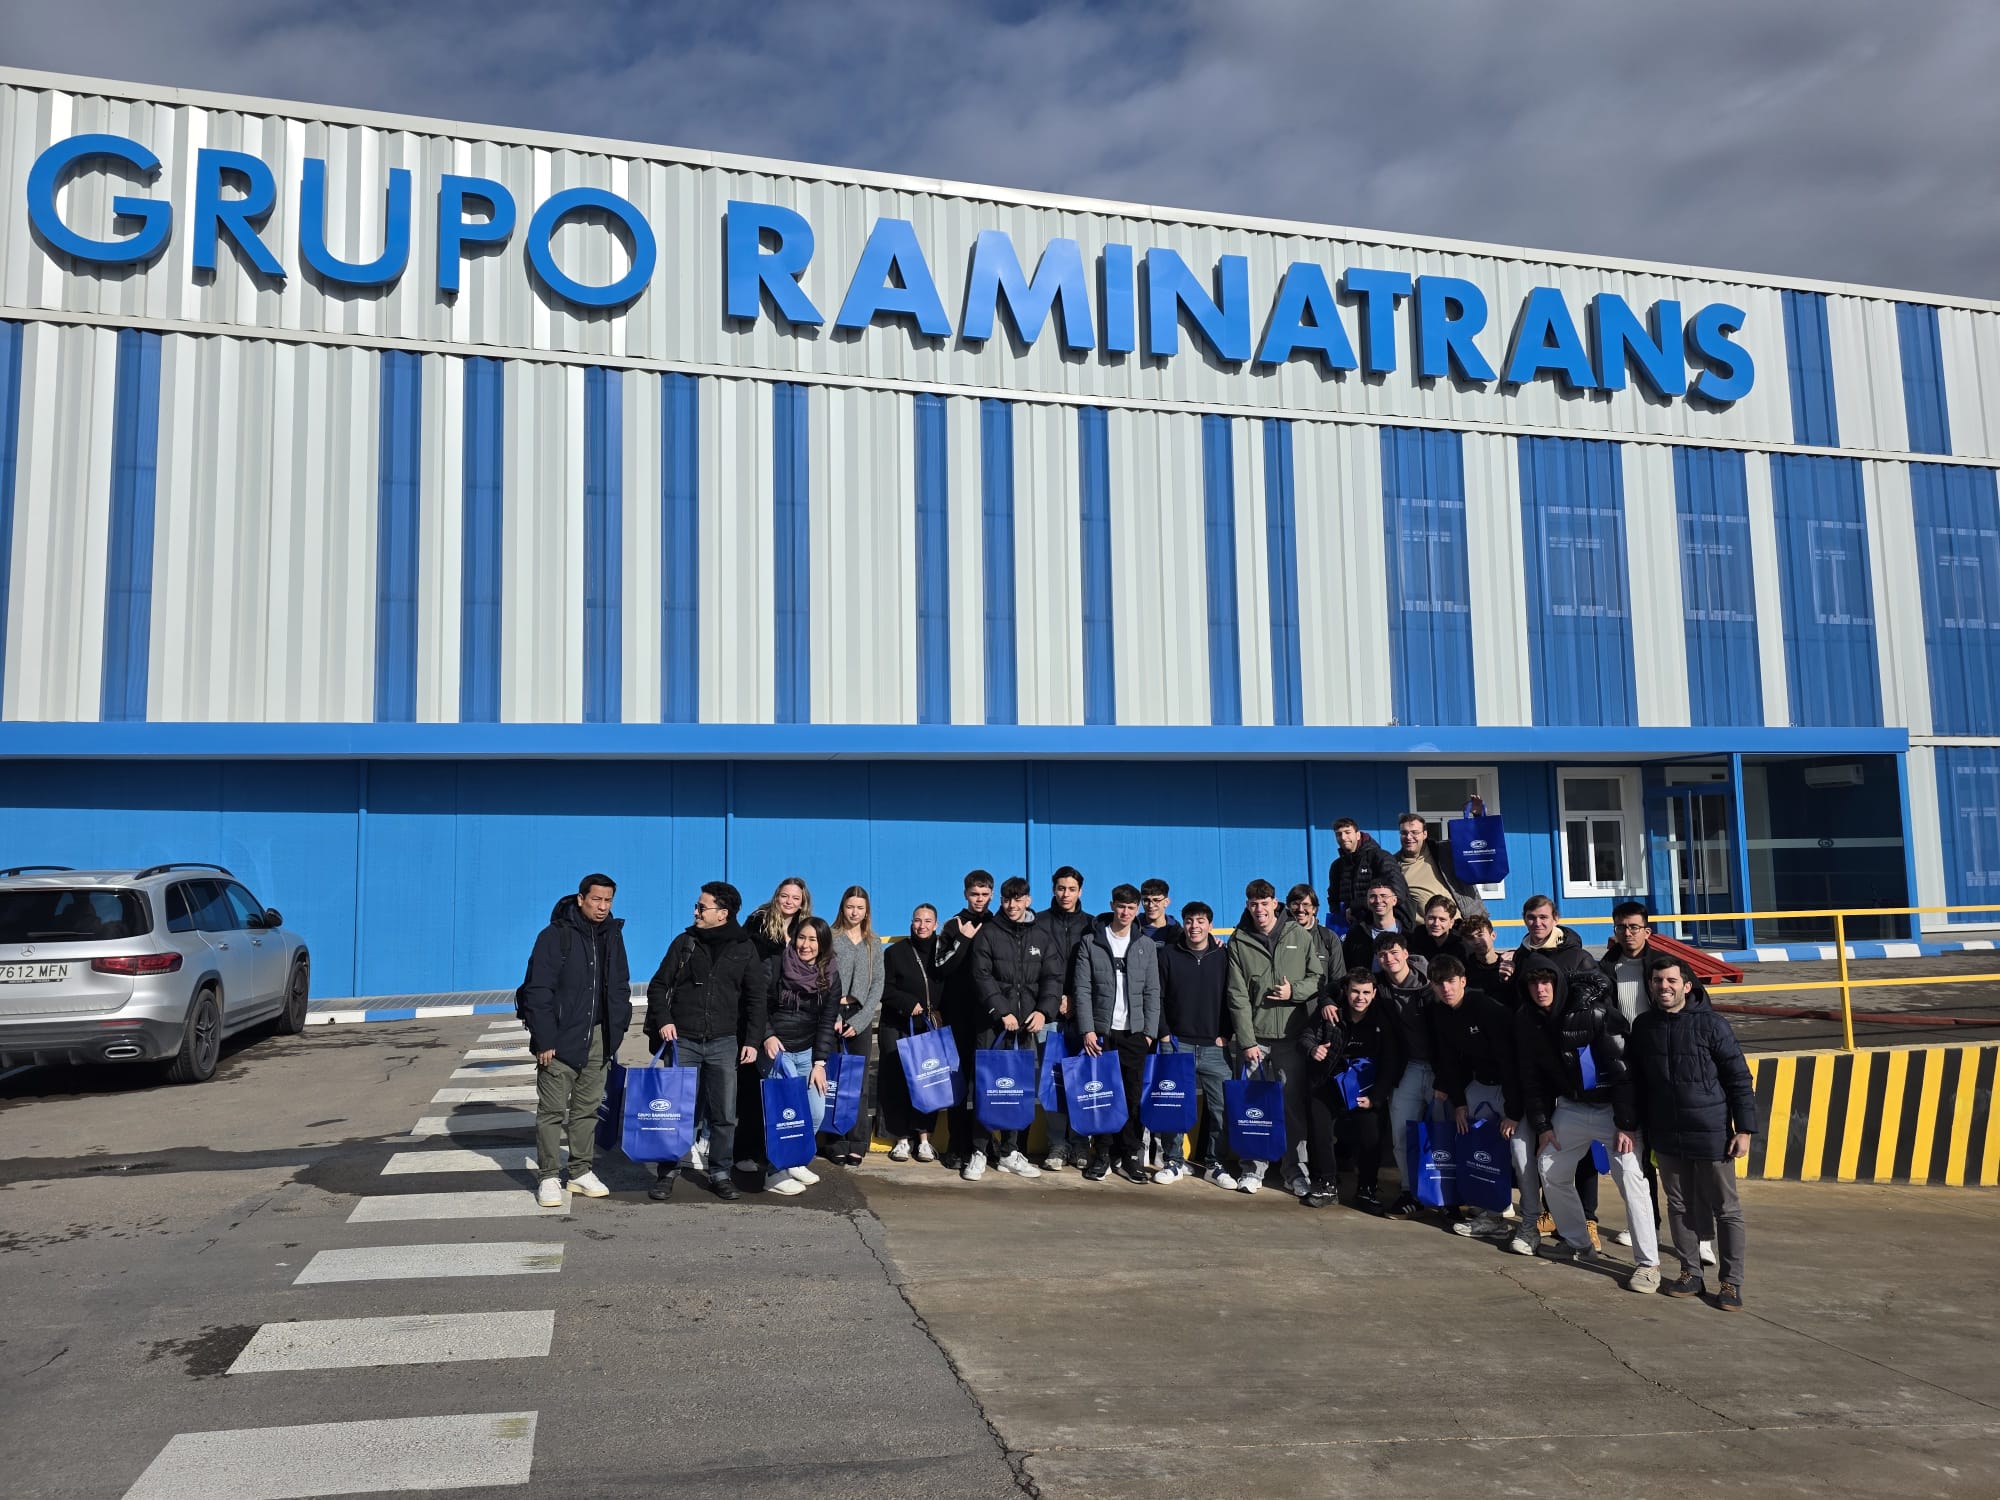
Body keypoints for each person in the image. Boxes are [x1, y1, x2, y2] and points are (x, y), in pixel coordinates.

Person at [1514, 956, 1662, 1293]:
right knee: (1550, 1166)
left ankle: (1648, 1264)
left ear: (1558, 983)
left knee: (1631, 1178)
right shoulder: (1526, 1020)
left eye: (1546, 982)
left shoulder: (1594, 1013)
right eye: (1533, 983)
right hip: (1572, 1107)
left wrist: (1626, 1124)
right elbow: (1531, 1078)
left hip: (1613, 1110)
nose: (1540, 989)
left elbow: (1623, 1070)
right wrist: (1543, 1126)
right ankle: (1578, 1242)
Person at [1629, 957, 1757, 1310]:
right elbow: (1636, 1081)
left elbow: (1738, 1078)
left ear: (1687, 986)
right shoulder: (1644, 1026)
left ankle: (1730, 1282)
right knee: (1679, 1205)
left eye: (1671, 980)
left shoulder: (1712, 1025)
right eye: (1658, 980)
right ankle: (1690, 1273)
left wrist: (1744, 1129)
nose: (1664, 986)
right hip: (1666, 1133)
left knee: (1725, 1208)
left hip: (1711, 1132)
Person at [644, 881, 767, 1203]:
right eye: (697, 906)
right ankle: (667, 1171)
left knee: (724, 1114)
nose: (696, 912)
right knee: (678, 1111)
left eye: (702, 907)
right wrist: (665, 1020)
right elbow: (658, 986)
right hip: (683, 1040)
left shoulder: (744, 947)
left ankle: (720, 1173)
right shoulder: (685, 942)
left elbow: (756, 998)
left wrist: (752, 1040)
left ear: (722, 913)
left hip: (724, 1042)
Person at [519, 873, 631, 1208]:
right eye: (596, 899)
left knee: (587, 1110)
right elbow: (538, 990)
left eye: (608, 900)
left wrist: (616, 1031)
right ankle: (549, 1176)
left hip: (599, 1037)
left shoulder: (612, 935)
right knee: (552, 1111)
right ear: (581, 899)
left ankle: (580, 1171)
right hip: (559, 1039)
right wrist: (544, 1038)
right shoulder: (556, 936)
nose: (602, 906)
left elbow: (620, 985)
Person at [1224, 878, 1325, 1196]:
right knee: (1253, 1107)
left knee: (1291, 1108)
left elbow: (1318, 978)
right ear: (1247, 905)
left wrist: (1294, 991)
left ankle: (1295, 1172)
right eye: (1253, 903)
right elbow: (1237, 996)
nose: (1259, 909)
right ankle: (1253, 1169)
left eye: (1264, 902)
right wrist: (1247, 1041)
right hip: (1256, 1039)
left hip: (1291, 1039)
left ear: (1275, 903)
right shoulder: (1239, 941)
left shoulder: (1298, 934)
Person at [1427, 953, 1534, 1249]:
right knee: (1482, 1153)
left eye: (1451, 981)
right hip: (1480, 1087)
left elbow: (1511, 1062)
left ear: (1463, 981)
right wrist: (1460, 1103)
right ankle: (1492, 1217)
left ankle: (1530, 1225)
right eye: (1439, 983)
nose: (1446, 988)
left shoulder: (1486, 1008)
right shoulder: (1441, 1013)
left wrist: (1513, 1111)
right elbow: (1449, 1060)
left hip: (1512, 1089)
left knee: (1521, 1158)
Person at [964, 875, 1060, 1181]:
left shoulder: (1041, 935)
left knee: (1018, 1089)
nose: (1012, 905)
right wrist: (1002, 1011)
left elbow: (1052, 978)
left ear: (1028, 900)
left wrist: (1043, 1011)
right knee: (986, 1086)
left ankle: (1010, 1151)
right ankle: (979, 1151)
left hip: (1026, 1027)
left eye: (1018, 899)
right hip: (993, 1025)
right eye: (1007, 900)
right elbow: (981, 976)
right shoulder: (989, 933)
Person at [1073, 883, 1163, 1184]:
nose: (1125, 912)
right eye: (1121, 906)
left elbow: (1152, 991)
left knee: (1132, 1097)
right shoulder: (1091, 942)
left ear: (1137, 910)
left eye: (1131, 908)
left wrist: (1148, 1033)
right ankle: (1102, 1154)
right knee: (1103, 1095)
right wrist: (1088, 1029)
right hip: (1102, 1033)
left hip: (1134, 1034)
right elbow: (1082, 989)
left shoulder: (1145, 944)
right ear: (1112, 905)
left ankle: (1130, 1155)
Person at [1154, 900, 1238, 1189]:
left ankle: (1215, 1165)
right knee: (1174, 1105)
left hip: (1216, 1046)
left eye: (1201, 921)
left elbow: (1234, 996)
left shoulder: (1223, 956)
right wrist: (1164, 1033)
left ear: (1210, 925)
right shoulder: (1168, 954)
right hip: (1178, 1044)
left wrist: (1227, 1033)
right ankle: (1174, 1161)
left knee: (1220, 1109)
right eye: (1189, 921)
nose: (1194, 926)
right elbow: (1158, 995)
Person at [736, 876, 812, 1176]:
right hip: (757, 1013)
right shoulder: (758, 923)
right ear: (776, 896)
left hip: (789, 1019)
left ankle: (782, 1154)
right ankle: (745, 1151)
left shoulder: (804, 929)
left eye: (796, 898)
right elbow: (747, 969)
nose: (789, 902)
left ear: (803, 902)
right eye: (785, 896)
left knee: (784, 1091)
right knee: (752, 1089)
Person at [758, 917, 836, 1196]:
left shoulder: (830, 972)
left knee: (815, 1112)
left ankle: (794, 1160)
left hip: (808, 1052)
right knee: (783, 1115)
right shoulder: (777, 964)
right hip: (777, 1051)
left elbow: (827, 1020)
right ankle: (774, 1173)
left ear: (822, 943)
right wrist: (767, 1035)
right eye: (802, 938)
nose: (806, 945)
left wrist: (820, 1062)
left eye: (813, 940)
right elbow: (758, 1004)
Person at [1302, 970, 1390, 1213]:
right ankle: (1327, 1185)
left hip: (1365, 1087)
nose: (1360, 997)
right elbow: (1306, 1036)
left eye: (1366, 992)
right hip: (1329, 1080)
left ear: (1374, 993)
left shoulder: (1382, 1019)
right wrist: (1313, 1049)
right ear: (1346, 991)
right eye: (1355, 991)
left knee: (1371, 1131)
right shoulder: (1331, 1012)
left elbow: (1391, 1061)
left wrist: (1376, 1098)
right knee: (1319, 1126)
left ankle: (1367, 1188)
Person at [879, 903, 959, 1163]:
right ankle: (901, 1140)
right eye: (917, 920)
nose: (921, 926)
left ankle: (924, 1140)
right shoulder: (895, 953)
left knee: (929, 1080)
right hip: (898, 1024)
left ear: (936, 924)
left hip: (929, 1027)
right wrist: (906, 1003)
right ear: (911, 922)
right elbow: (884, 988)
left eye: (927, 921)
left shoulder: (943, 953)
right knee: (897, 1082)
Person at [1373, 932, 1434, 1218]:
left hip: (1438, 1069)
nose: (1389, 959)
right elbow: (1342, 987)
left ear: (1406, 953)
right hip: (1407, 1068)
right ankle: (1410, 1192)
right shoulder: (1380, 986)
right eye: (1383, 955)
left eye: (1394, 952)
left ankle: (1448, 1195)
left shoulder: (1431, 983)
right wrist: (1327, 1002)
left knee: (1444, 1133)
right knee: (1401, 1134)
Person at [939, 870, 997, 1170]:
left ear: (992, 895)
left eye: (985, 894)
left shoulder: (998, 923)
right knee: (958, 1082)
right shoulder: (954, 925)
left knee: (987, 1082)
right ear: (965, 894)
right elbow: (941, 968)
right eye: (975, 894)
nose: (980, 899)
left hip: (989, 1016)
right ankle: (957, 1144)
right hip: (958, 1016)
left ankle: (984, 1144)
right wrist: (963, 939)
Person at [1037, 866, 1093, 1170]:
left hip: (1083, 1015)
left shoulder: (1092, 925)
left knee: (1083, 1080)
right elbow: (1033, 967)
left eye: (1071, 889)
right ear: (1053, 889)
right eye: (1061, 888)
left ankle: (1081, 1143)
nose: (1065, 894)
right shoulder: (1039, 922)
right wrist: (1055, 998)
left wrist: (1075, 999)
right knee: (1054, 1080)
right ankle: (1057, 1144)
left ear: (1080, 891)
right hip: (1049, 1013)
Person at [826, 885, 885, 1167]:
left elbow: (878, 984)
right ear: (842, 908)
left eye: (860, 908)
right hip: (832, 1013)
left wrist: (860, 1021)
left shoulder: (874, 943)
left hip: (859, 1015)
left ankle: (857, 1141)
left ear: (867, 911)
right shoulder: (830, 938)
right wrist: (833, 1016)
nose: (854, 912)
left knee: (858, 1083)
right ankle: (834, 1141)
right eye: (850, 907)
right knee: (832, 1080)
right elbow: (821, 977)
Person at [1393, 810, 1489, 922]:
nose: (1409, 837)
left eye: (1414, 832)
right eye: (1404, 833)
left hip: (1465, 924)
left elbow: (1476, 842)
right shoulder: (1393, 865)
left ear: (1424, 834)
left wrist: (1478, 816)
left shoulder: (1444, 851)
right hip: (1428, 929)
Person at [1325, 817, 1409, 930]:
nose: (1343, 837)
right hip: (1350, 928)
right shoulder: (1337, 866)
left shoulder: (1380, 857)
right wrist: (1341, 914)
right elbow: (1333, 898)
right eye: (1338, 834)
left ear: (1358, 835)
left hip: (1380, 926)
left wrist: (1356, 906)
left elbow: (1398, 893)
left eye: (1347, 832)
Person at [1599, 902, 1660, 1023]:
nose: (1627, 933)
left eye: (1634, 927)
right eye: (1621, 927)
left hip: (1656, 1034)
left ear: (1647, 933)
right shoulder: (1603, 968)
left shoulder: (1666, 966)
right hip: (1618, 1034)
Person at [1343, 879, 1419, 973]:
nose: (1378, 901)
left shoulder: (1409, 932)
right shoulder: (1356, 934)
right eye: (1373, 896)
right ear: (1367, 901)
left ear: (1394, 900)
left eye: (1384, 896)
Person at [1460, 914, 1515, 1008]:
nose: (1476, 941)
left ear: (1493, 935)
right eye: (1470, 938)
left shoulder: (1509, 964)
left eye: (1480, 935)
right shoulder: (1464, 969)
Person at [1410, 894, 1466, 963]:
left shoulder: (1461, 945)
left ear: (1451, 922)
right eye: (1431, 918)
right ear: (1425, 919)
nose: (1436, 924)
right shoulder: (1418, 935)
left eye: (1442, 919)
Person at [1137, 878, 1184, 945]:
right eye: (1146, 900)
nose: (1151, 905)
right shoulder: (1132, 927)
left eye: (1156, 900)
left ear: (1166, 902)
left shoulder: (1178, 932)